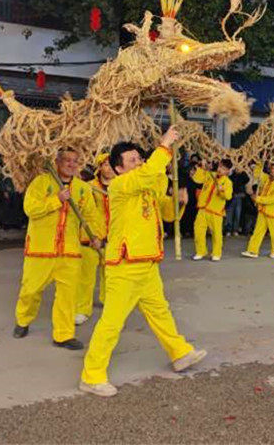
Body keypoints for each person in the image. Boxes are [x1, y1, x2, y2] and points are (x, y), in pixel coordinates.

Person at [80, 130, 207, 397]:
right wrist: (164, 146)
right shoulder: (120, 186)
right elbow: (148, 174)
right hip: (125, 266)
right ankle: (91, 376)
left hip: (147, 262)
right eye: (132, 160)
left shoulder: (144, 187)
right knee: (111, 323)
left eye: (139, 158)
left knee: (161, 312)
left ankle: (180, 352)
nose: (138, 162)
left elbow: (164, 206)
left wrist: (179, 200)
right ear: (118, 168)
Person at [12, 148, 104, 350]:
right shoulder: (41, 182)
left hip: (69, 251)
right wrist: (56, 200)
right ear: (57, 162)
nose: (71, 164)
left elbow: (91, 216)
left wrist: (96, 237)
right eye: (67, 160)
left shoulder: (82, 188)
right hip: (40, 250)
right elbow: (30, 209)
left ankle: (63, 335)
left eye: (75, 161)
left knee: (67, 295)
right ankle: (23, 320)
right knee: (30, 290)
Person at [75, 153, 112, 326]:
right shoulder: (87, 187)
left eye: (112, 165)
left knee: (111, 276)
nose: (109, 168)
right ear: (99, 167)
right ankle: (83, 309)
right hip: (89, 238)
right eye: (105, 165)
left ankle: (108, 302)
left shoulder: (122, 186)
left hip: (112, 239)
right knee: (85, 278)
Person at [192, 158, 233, 262]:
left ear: (228, 171)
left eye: (223, 169)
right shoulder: (210, 175)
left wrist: (221, 191)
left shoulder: (227, 182)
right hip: (203, 209)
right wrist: (202, 167)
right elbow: (197, 179)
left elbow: (228, 196)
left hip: (216, 212)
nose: (220, 170)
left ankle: (216, 253)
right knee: (198, 231)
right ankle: (201, 251)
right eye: (220, 167)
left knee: (216, 234)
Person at [242, 162, 274, 259]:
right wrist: (257, 164)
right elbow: (258, 174)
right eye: (272, 168)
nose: (273, 170)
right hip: (263, 211)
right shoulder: (267, 179)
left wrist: (258, 199)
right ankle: (252, 250)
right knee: (257, 231)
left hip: (273, 212)